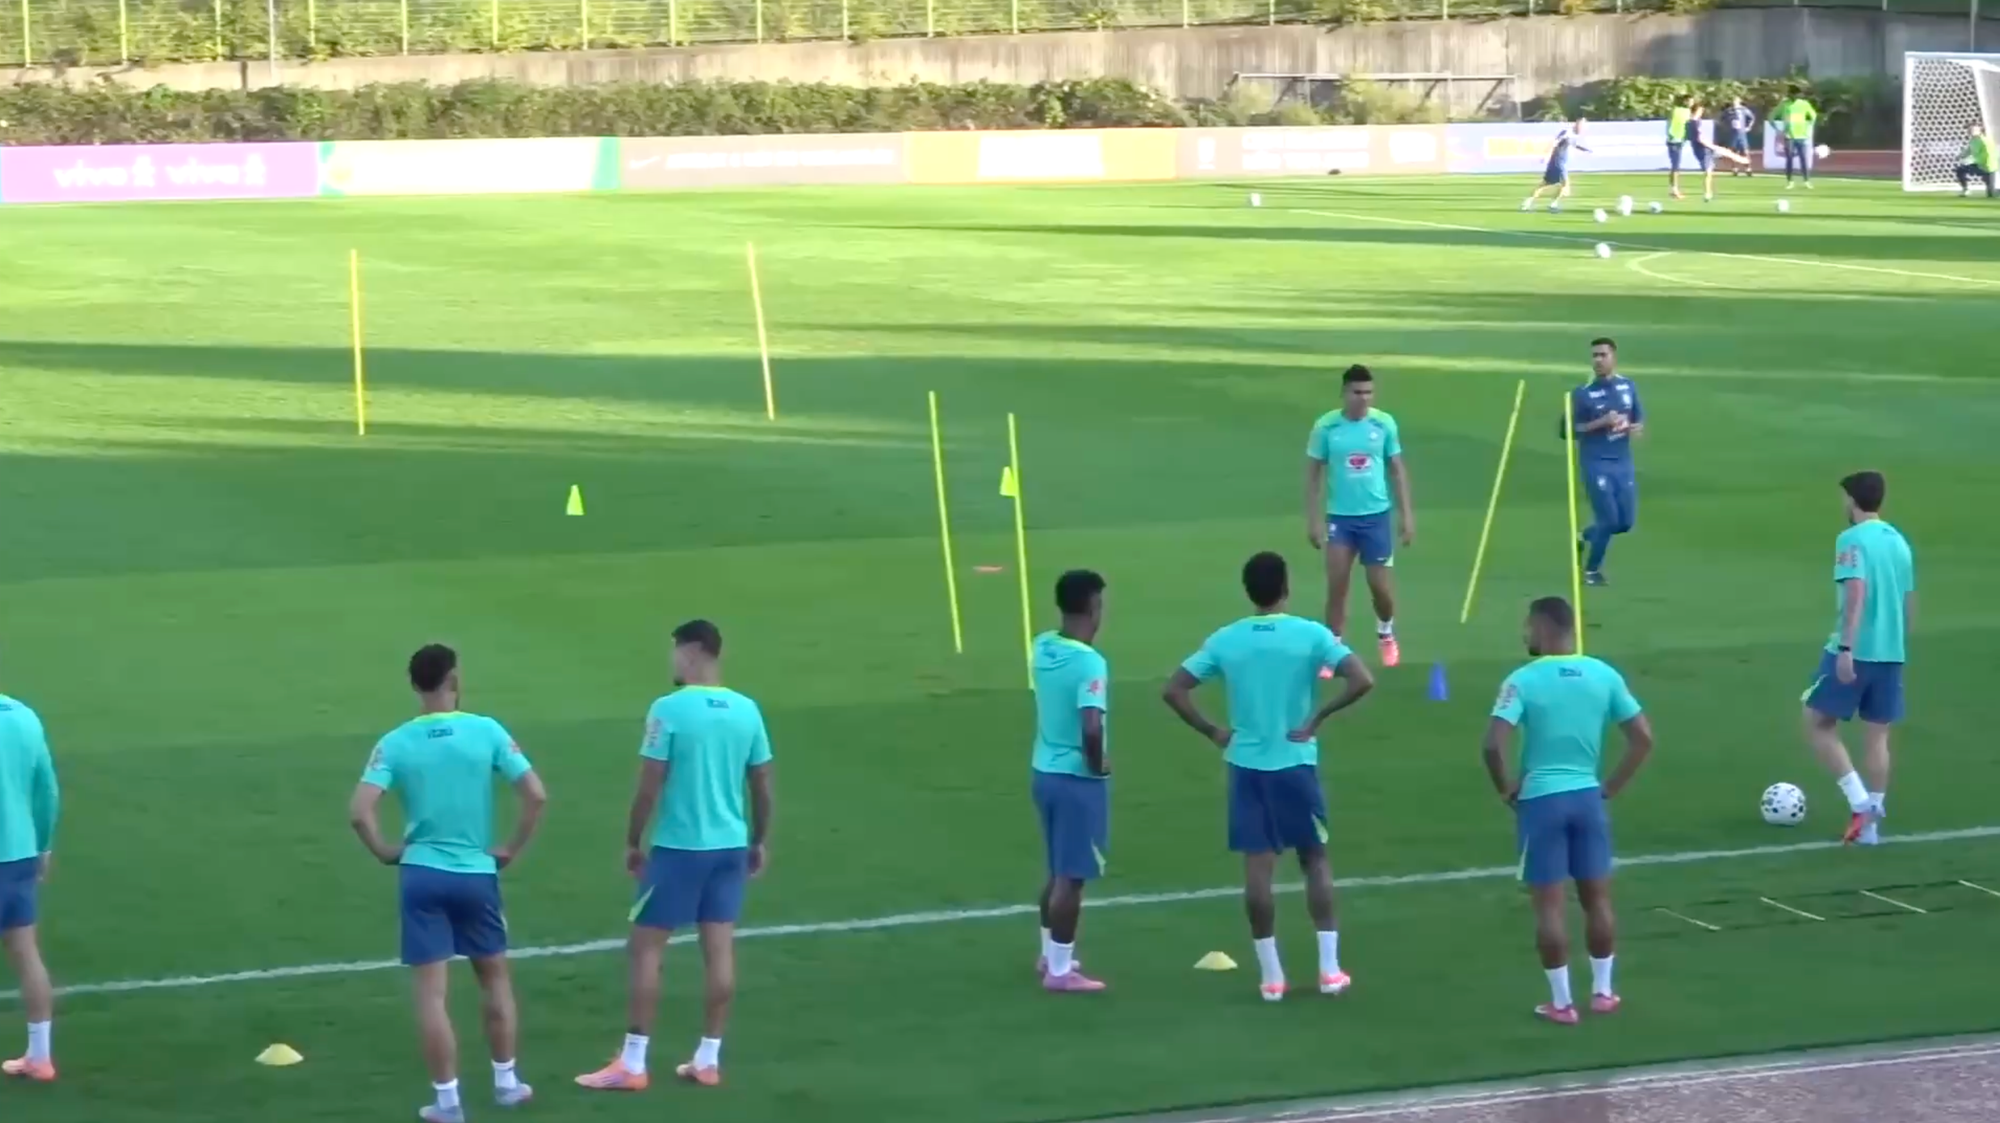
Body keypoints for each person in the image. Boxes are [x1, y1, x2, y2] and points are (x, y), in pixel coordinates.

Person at [1162, 552, 1374, 1002]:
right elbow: (1361, 679)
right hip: (1295, 764)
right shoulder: (1311, 635)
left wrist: (1212, 730)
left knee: (1258, 869)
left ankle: (1272, 977)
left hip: (1247, 766)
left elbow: (1174, 689)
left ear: (1248, 591)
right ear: (1286, 587)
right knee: (1314, 859)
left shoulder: (1227, 639)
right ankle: (1329, 970)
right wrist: (1317, 718)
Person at [350, 644, 548, 1123]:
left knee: (431, 995)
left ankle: (447, 1102)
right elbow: (536, 795)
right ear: (454, 680)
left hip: (422, 875)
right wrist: (511, 847)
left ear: (414, 685)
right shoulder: (487, 730)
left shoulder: (396, 742)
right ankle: (507, 1084)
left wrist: (384, 851)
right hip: (476, 874)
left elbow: (359, 812)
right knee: (494, 979)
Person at [578, 619, 775, 1093]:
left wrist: (632, 840)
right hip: (729, 847)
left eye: (675, 651)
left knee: (645, 949)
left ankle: (633, 1063)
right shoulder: (746, 710)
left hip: (680, 849)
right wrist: (759, 840)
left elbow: (650, 783)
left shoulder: (668, 709)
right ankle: (708, 1059)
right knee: (719, 949)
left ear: (692, 651)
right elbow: (762, 784)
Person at [1481, 596, 1653, 1026]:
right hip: (1587, 799)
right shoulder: (1603, 674)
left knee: (1550, 907)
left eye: (1527, 626)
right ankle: (1603, 992)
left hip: (1542, 801)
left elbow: (1492, 745)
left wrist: (1505, 789)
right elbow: (1643, 739)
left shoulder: (1522, 680)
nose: (1524, 634)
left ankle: (1562, 1003)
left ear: (1542, 627)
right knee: (1597, 899)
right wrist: (1609, 788)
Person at [1801, 472, 1914, 847]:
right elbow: (1908, 600)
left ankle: (1859, 802)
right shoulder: (1898, 541)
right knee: (1878, 736)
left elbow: (1856, 590)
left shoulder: (1851, 540)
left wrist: (1847, 648)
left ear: (1852, 500)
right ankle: (1871, 828)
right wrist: (1899, 644)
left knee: (1816, 722)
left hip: (1857, 649)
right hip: (1891, 652)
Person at [1030, 570, 1111, 993]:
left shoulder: (1042, 644)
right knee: (1072, 877)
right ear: (1094, 606)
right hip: (1076, 779)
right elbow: (1091, 727)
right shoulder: (1090, 662)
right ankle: (1060, 973)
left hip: (1044, 772)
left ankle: (1049, 954)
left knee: (1057, 869)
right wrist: (1098, 766)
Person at [1303, 364, 1414, 669]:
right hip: (1340, 518)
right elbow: (1313, 474)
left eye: (1368, 392)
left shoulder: (1383, 424)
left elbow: (1397, 470)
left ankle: (1386, 632)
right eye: (1357, 392)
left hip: (1376, 518)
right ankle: (1333, 650)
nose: (1363, 398)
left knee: (1381, 589)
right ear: (1344, 392)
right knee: (1337, 587)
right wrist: (1313, 520)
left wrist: (1406, 516)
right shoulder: (1326, 427)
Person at [0, 690, 58, 1084]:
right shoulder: (23, 717)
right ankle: (40, 1057)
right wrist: (44, 845)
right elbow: (46, 789)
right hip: (19, 852)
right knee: (26, 953)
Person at [1564, 338, 1644, 586]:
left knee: (1625, 523)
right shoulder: (1582, 393)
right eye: (1594, 355)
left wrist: (1635, 428)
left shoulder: (1628, 386)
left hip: (1623, 463)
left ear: (1614, 357)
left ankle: (1583, 535)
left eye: (1603, 355)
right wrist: (1601, 422)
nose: (1598, 360)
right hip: (1595, 463)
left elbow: (1637, 418)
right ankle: (1591, 571)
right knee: (1608, 519)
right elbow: (1567, 430)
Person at [1522, 118, 1593, 213]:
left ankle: (1527, 204)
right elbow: (1554, 143)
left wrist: (1585, 150)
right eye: (1581, 126)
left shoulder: (1573, 135)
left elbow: (1574, 144)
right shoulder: (1566, 133)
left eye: (1584, 127)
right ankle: (1552, 205)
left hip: (1558, 163)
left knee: (1544, 184)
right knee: (1565, 186)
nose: (1582, 129)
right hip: (1558, 163)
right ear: (1576, 125)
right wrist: (1546, 156)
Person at [1777, 86, 1818, 189]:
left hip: (1801, 135)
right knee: (1789, 158)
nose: (1797, 96)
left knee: (1803, 158)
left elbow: (1813, 115)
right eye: (1795, 94)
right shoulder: (1785, 104)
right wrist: (1778, 129)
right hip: (1789, 136)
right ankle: (1790, 181)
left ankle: (1806, 180)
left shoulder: (1804, 104)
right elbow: (1772, 116)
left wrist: (1809, 127)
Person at [1666, 96, 1699, 200]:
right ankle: (1674, 190)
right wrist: (1670, 134)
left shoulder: (1688, 112)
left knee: (1675, 165)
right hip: (1674, 140)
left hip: (1680, 140)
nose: (1691, 103)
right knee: (1675, 165)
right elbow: (1670, 123)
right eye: (1689, 101)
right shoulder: (1676, 110)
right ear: (1685, 101)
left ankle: (1673, 189)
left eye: (1692, 102)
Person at [1956, 122, 1996, 198]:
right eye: (1969, 130)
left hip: (1988, 167)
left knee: (1991, 194)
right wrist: (1960, 156)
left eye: (1972, 130)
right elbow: (1969, 150)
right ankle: (1965, 190)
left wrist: (1986, 166)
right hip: (1979, 165)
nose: (1970, 131)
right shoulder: (1973, 140)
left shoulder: (1984, 141)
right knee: (1960, 170)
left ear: (1979, 130)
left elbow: (1989, 155)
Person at [1723, 96, 1757, 177]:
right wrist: (1727, 126)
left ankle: (1748, 168)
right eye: (1733, 101)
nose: (1734, 103)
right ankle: (1735, 169)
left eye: (1736, 101)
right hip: (1733, 134)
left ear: (1739, 102)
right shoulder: (1729, 111)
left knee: (1745, 151)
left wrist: (1749, 127)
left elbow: (1752, 118)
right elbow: (1722, 118)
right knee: (1733, 152)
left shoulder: (1744, 110)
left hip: (1742, 134)